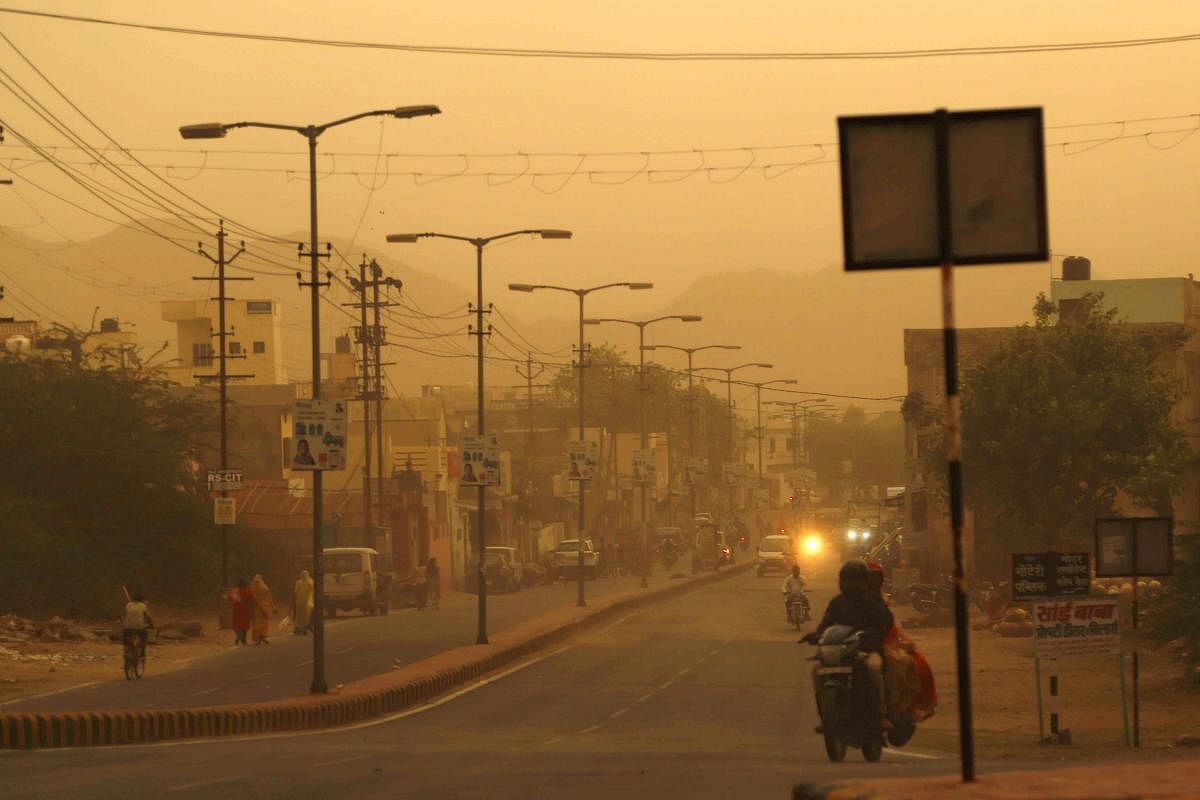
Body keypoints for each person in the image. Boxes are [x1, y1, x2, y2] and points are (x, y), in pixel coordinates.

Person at [801, 560, 894, 731]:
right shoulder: (837, 603)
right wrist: (816, 635)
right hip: (841, 653)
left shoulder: (873, 601)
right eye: (848, 580)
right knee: (816, 671)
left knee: (874, 668)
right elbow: (826, 624)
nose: (851, 585)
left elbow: (887, 622)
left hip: (867, 650)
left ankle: (880, 714)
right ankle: (825, 716)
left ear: (864, 581)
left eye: (856, 580)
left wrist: (873, 633)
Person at [867, 561, 937, 721]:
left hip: (887, 641)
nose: (873, 581)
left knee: (917, 662)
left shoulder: (881, 598)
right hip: (867, 643)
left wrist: (903, 639)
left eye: (876, 577)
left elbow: (892, 623)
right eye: (870, 577)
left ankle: (908, 706)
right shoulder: (853, 599)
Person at [122, 592, 154, 661]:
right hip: (139, 627)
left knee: (126, 638)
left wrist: (124, 624)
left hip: (127, 627)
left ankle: (126, 650)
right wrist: (151, 625)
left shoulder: (128, 605)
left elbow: (123, 615)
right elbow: (149, 617)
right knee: (144, 637)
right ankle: (142, 652)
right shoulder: (143, 606)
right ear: (141, 600)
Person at [250, 574, 274, 645]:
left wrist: (272, 606)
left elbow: (268, 596)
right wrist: (272, 606)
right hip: (261, 607)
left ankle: (261, 638)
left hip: (259, 607)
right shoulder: (264, 587)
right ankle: (260, 638)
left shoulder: (253, 587)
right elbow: (269, 596)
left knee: (260, 623)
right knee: (260, 623)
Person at [230, 578, 254, 645]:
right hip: (245, 609)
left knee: (237, 625)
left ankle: (238, 637)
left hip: (237, 609)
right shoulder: (247, 590)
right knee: (244, 625)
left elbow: (230, 598)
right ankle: (243, 639)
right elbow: (251, 597)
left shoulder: (235, 591)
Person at [291, 570, 314, 636]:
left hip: (307, 603)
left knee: (304, 616)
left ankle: (303, 629)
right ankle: (300, 629)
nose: (304, 576)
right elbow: (295, 592)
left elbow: (295, 592)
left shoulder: (310, 582)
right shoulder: (299, 582)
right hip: (301, 602)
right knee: (301, 616)